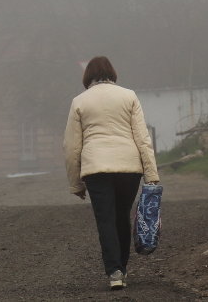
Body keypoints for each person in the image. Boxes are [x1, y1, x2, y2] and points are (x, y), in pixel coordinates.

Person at [63, 55, 160, 290]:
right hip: (129, 168)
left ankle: (114, 272)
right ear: (112, 73)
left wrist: (76, 183)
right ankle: (123, 268)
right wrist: (151, 174)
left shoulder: (79, 101)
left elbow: (71, 146)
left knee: (105, 219)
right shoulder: (129, 96)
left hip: (96, 169)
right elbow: (142, 138)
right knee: (121, 216)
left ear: (88, 76)